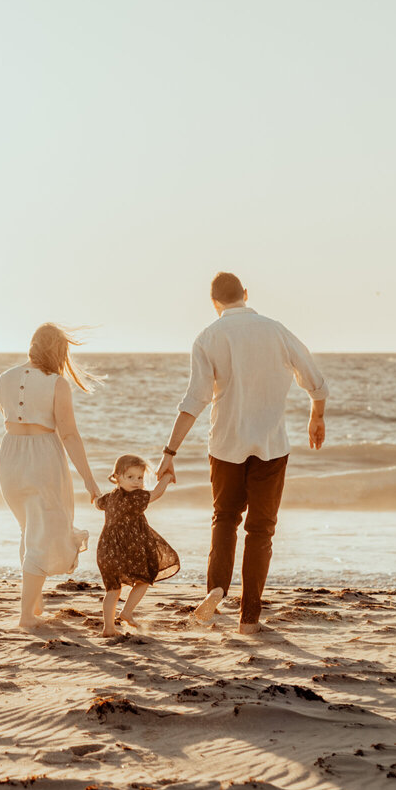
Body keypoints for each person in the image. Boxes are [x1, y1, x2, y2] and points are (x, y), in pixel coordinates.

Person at [156, 273, 328, 636]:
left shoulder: (208, 337)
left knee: (224, 520)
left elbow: (195, 399)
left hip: (225, 445)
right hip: (271, 446)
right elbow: (313, 377)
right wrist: (317, 415)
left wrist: (170, 452)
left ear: (214, 301)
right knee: (261, 531)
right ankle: (249, 619)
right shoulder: (276, 330)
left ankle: (217, 589)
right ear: (246, 295)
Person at [0, 323, 103, 628]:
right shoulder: (57, 383)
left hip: (10, 456)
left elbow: (10, 416)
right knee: (41, 533)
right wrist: (89, 480)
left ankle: (35, 602)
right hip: (42, 456)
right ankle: (26, 616)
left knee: (29, 529)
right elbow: (68, 434)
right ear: (58, 351)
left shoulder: (4, 378)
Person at [94, 454, 179, 637]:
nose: (136, 482)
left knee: (113, 589)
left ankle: (108, 627)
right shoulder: (137, 497)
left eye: (140, 477)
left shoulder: (109, 498)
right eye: (130, 477)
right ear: (116, 476)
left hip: (106, 550)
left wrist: (93, 494)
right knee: (144, 579)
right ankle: (126, 612)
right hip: (129, 549)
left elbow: (97, 502)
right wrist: (166, 477)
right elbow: (156, 493)